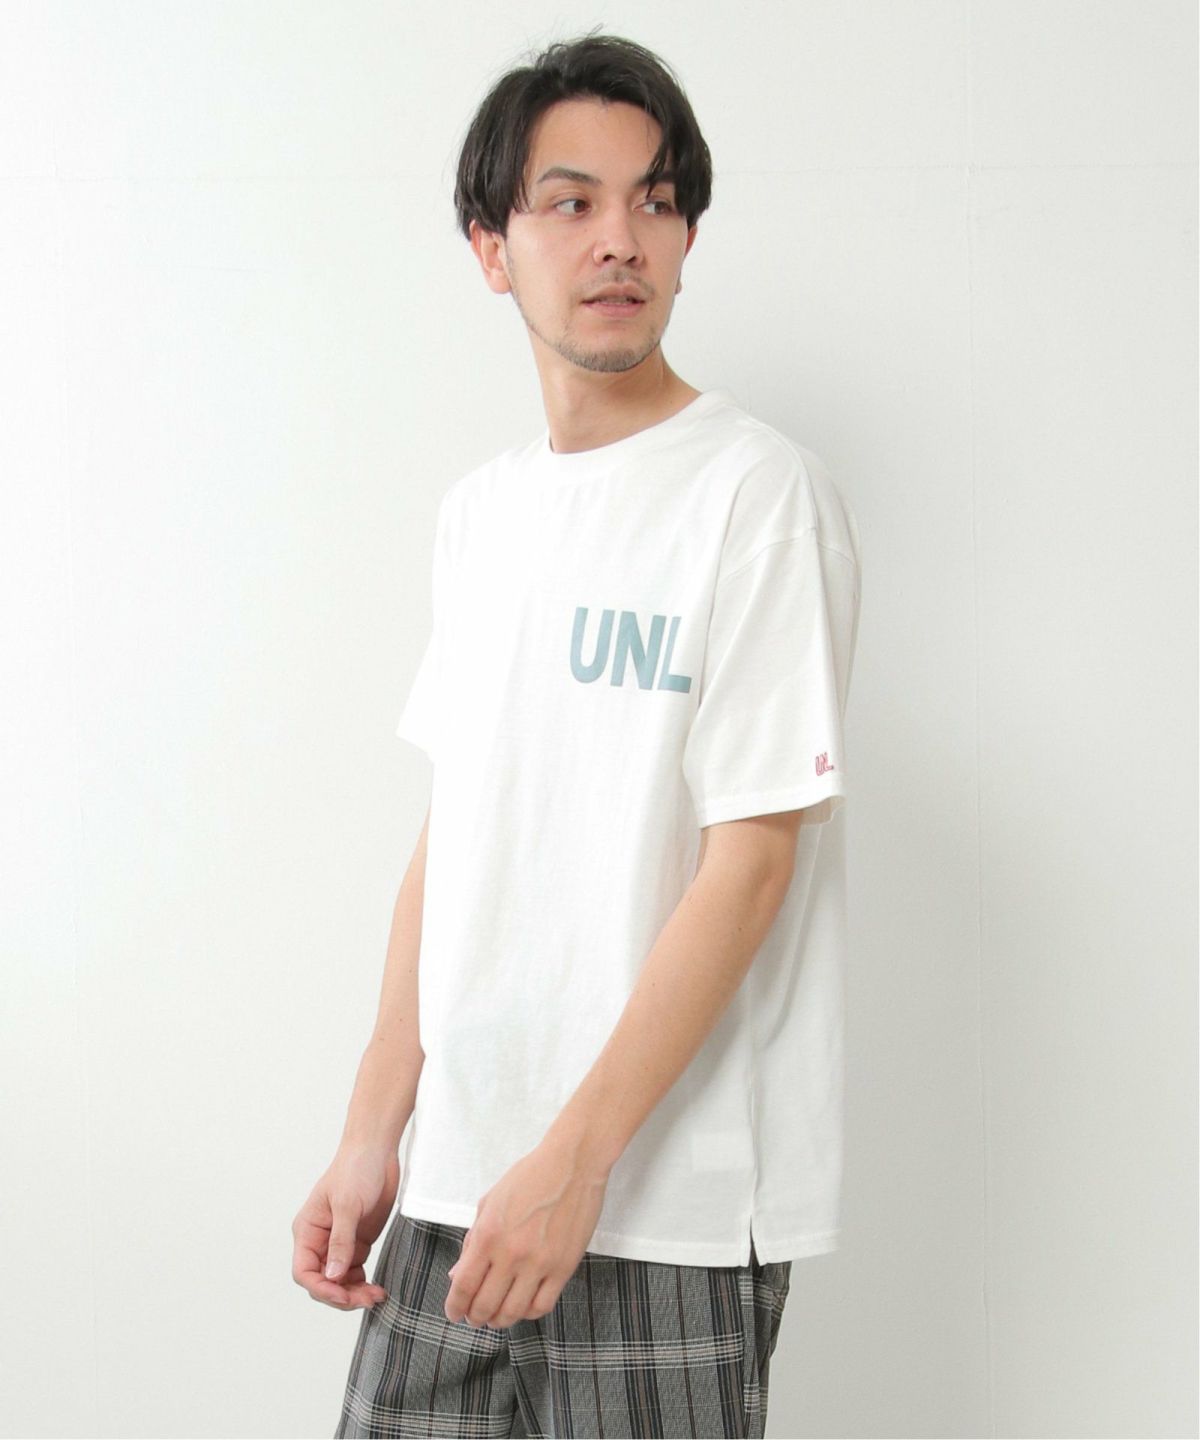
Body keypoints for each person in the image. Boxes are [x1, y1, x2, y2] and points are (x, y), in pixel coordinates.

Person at [292, 29, 863, 1440]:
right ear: (492, 248)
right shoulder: (482, 515)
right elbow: (458, 833)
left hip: (662, 1209)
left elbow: (752, 864)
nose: (621, 239)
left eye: (655, 202)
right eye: (572, 202)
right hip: (458, 1194)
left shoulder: (755, 496)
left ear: (686, 237)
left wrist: (577, 1162)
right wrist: (374, 1128)